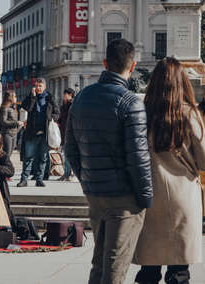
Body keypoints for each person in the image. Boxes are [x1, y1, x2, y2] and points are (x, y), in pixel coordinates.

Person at [65, 39, 153, 284]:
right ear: (133, 66)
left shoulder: (81, 98)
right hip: (124, 197)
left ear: (104, 63)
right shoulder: (131, 102)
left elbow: (70, 148)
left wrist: (87, 179)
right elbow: (138, 156)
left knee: (99, 262)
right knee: (115, 265)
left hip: (96, 192)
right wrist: (145, 197)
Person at [132, 58, 205, 284]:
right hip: (183, 198)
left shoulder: (141, 113)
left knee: (148, 271)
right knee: (179, 271)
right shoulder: (190, 114)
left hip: (149, 196)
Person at [17, 78, 59, 187]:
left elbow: (57, 112)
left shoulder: (49, 98)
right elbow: (26, 107)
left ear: (44, 87)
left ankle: (39, 179)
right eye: (36, 86)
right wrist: (32, 96)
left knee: (43, 157)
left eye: (40, 86)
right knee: (28, 157)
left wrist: (52, 118)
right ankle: (24, 179)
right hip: (32, 131)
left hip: (45, 132)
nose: (38, 88)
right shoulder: (31, 97)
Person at [0, 91, 23, 159]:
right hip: (7, 133)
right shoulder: (5, 108)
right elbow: (3, 121)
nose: (16, 98)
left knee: (10, 153)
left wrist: (20, 124)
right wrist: (16, 123)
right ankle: (3, 168)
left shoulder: (13, 108)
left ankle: (4, 167)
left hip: (14, 133)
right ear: (10, 98)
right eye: (14, 96)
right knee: (7, 153)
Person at [58, 88, 75, 181]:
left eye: (65, 94)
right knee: (65, 154)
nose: (64, 96)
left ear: (70, 95)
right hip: (63, 132)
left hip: (71, 132)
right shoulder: (63, 106)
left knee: (69, 154)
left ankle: (71, 174)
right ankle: (66, 173)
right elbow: (61, 118)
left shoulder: (73, 105)